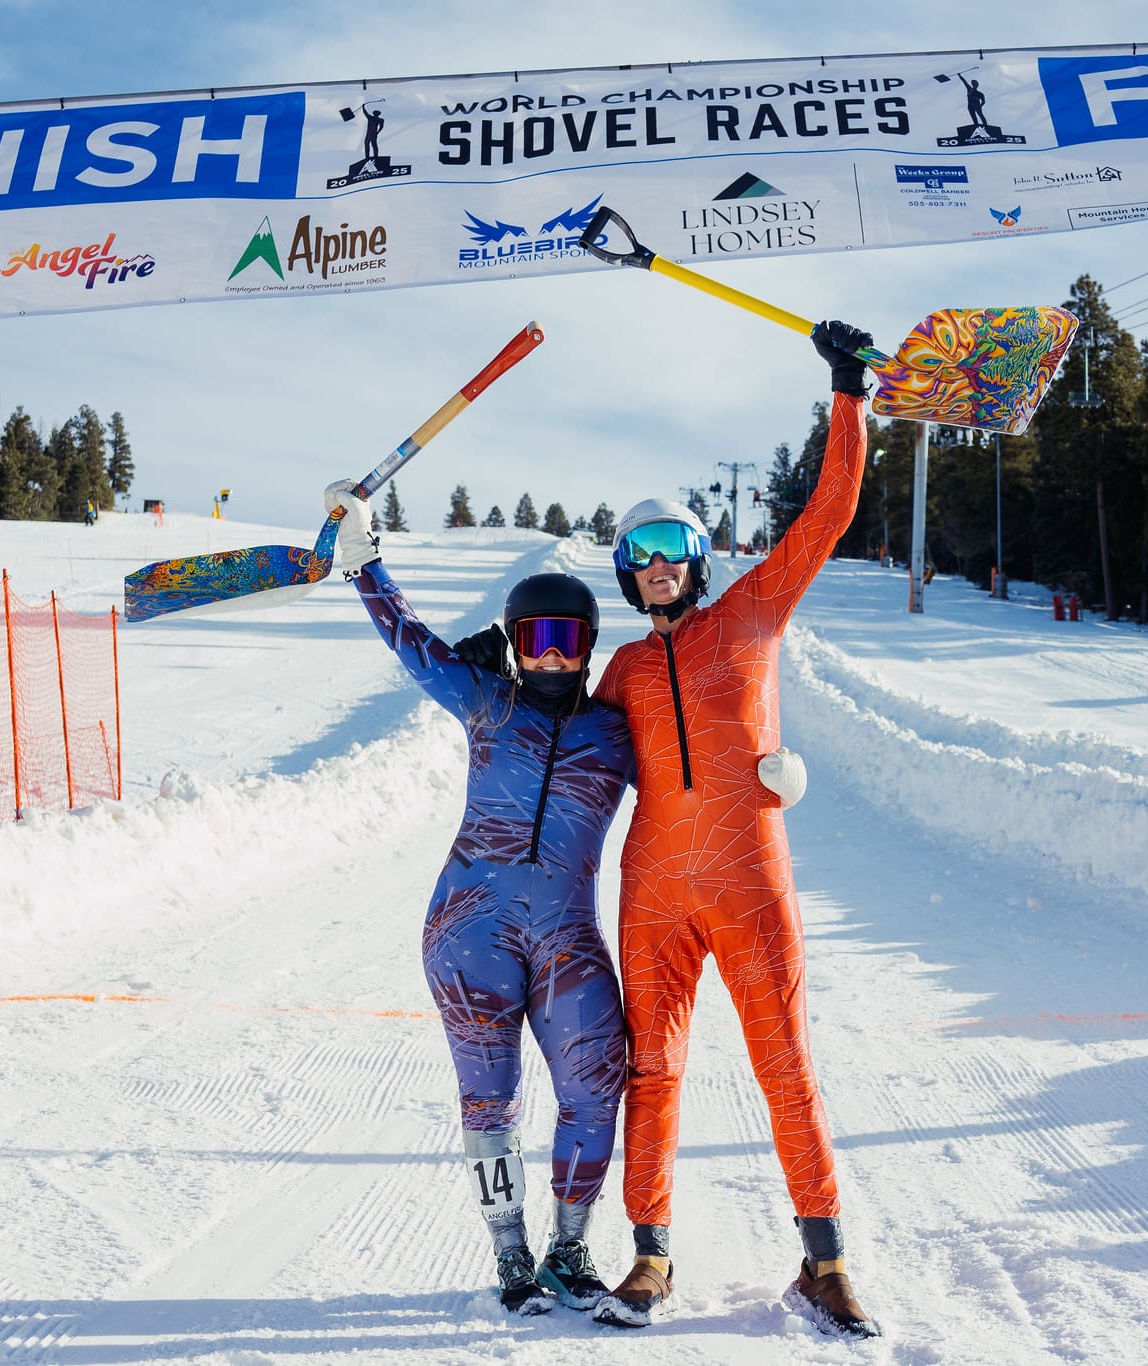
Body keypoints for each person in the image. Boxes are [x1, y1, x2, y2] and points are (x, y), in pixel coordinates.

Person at [458, 321, 878, 1338]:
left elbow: (827, 514)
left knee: (786, 1064)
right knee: (654, 1068)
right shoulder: (622, 674)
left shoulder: (753, 614)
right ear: (623, 573)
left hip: (748, 878)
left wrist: (848, 394)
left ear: (694, 557)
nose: (653, 567)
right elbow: (546, 723)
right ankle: (649, 1255)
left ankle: (822, 1260)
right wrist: (486, 663)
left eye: (668, 551)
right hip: (654, 888)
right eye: (635, 556)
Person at [325, 475, 638, 1317]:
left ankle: (571, 1247)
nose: (548, 657)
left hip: (567, 933)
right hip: (470, 931)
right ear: (512, 641)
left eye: (566, 639)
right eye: (532, 638)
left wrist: (755, 773)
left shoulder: (617, 732)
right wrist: (363, 558)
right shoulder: (488, 703)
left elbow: (693, 767)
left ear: (589, 645)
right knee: (488, 1094)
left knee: (597, 1074)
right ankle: (512, 1255)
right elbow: (412, 645)